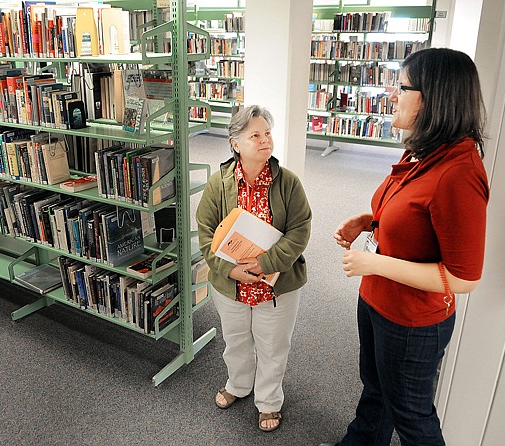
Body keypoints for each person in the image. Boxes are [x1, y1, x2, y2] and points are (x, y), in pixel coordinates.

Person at [320, 48, 489, 446]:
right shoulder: (423, 150)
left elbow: (464, 279)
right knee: (375, 393)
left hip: (412, 320)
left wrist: (376, 265)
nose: (391, 94)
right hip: (379, 301)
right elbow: (414, 215)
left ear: (433, 98)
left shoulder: (459, 174)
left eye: (401, 87)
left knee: (412, 417)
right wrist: (371, 220)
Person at [196, 105, 312, 432]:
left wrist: (267, 262)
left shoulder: (288, 182)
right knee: (236, 340)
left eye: (268, 133)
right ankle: (239, 384)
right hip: (231, 283)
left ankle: (269, 401)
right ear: (235, 143)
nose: (265, 140)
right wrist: (228, 270)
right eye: (255, 135)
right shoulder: (219, 184)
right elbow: (205, 231)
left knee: (273, 346)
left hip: (275, 284)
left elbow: (300, 228)